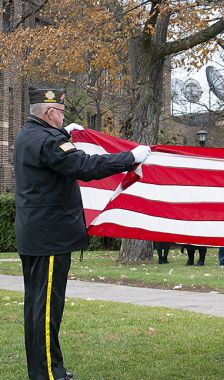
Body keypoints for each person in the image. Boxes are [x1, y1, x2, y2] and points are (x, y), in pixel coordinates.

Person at [14, 87, 151, 380]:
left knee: (39, 308)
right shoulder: (47, 141)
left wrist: (65, 135)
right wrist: (130, 158)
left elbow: (54, 160)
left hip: (37, 236)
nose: (64, 117)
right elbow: (85, 166)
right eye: (62, 112)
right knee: (46, 311)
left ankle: (50, 369)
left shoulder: (29, 135)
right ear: (50, 112)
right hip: (49, 238)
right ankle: (48, 375)